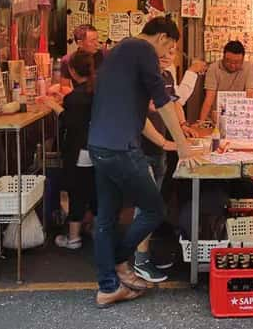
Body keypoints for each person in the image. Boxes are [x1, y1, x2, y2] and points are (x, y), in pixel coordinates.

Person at [87, 16, 196, 308]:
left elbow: (138, 114)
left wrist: (165, 143)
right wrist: (184, 149)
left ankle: (108, 286)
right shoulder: (144, 51)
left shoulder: (119, 51)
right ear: (161, 37)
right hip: (122, 149)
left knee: (106, 220)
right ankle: (121, 260)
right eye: (170, 46)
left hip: (99, 145)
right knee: (154, 209)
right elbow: (163, 103)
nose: (168, 53)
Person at [132, 46, 200, 283]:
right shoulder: (142, 78)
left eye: (171, 52)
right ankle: (139, 261)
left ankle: (145, 254)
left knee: (154, 203)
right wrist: (166, 142)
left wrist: (181, 127)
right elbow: (141, 116)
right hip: (141, 149)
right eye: (162, 52)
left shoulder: (167, 77)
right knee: (146, 205)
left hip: (159, 151)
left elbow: (174, 103)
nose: (167, 56)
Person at [52, 50, 97, 250]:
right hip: (97, 149)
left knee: (77, 191)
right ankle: (95, 228)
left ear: (71, 70)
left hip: (80, 151)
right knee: (95, 189)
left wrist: (53, 105)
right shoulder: (95, 90)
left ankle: (73, 238)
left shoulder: (75, 97)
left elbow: (71, 122)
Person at [198, 41, 253, 123]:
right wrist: (201, 122)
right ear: (223, 56)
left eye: (237, 62)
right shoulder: (214, 68)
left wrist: (252, 121)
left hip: (240, 119)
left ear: (243, 59)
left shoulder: (249, 68)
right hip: (216, 118)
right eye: (228, 61)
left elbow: (250, 95)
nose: (232, 65)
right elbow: (209, 98)